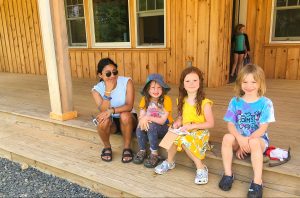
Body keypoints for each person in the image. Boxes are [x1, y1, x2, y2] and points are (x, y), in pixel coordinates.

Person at [219, 64, 275, 198]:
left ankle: (257, 182)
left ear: (260, 83)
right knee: (227, 137)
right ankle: (228, 174)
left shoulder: (265, 103)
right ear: (240, 83)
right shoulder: (235, 101)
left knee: (255, 143)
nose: (249, 86)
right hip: (239, 138)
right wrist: (240, 139)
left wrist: (246, 143)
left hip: (257, 139)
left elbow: (263, 128)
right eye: (245, 82)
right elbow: (230, 125)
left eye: (253, 82)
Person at [154, 66, 214, 185]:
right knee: (171, 133)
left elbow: (210, 123)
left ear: (200, 82)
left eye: (195, 80)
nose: (191, 83)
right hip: (185, 129)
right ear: (183, 84)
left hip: (200, 132)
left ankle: (201, 167)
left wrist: (192, 126)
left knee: (183, 138)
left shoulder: (204, 103)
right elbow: (181, 117)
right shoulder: (181, 100)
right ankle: (169, 161)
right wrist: (177, 123)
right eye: (187, 81)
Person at [91, 58, 137, 163]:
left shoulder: (127, 82)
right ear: (100, 75)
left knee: (125, 115)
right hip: (112, 121)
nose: (112, 76)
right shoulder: (96, 90)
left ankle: (127, 148)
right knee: (102, 121)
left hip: (129, 119)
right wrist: (108, 91)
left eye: (115, 72)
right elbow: (103, 110)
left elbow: (129, 106)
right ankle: (107, 147)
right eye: (108, 74)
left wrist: (112, 110)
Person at [133, 74, 173, 168]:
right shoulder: (145, 99)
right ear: (147, 89)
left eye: (159, 87)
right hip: (150, 125)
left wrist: (148, 118)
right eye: (153, 87)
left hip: (164, 128)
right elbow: (142, 115)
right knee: (140, 126)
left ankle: (154, 153)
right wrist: (143, 119)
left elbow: (163, 120)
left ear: (163, 89)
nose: (156, 90)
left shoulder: (166, 100)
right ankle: (142, 150)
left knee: (151, 126)